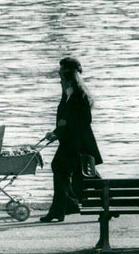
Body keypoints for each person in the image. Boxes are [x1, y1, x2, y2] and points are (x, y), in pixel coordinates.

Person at [40, 57, 102, 223]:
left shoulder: (78, 95)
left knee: (62, 168)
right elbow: (65, 119)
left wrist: (62, 129)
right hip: (72, 142)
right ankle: (71, 205)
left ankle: (60, 209)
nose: (59, 76)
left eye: (61, 73)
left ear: (67, 74)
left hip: (77, 143)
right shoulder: (69, 93)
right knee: (85, 174)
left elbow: (83, 121)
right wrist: (56, 132)